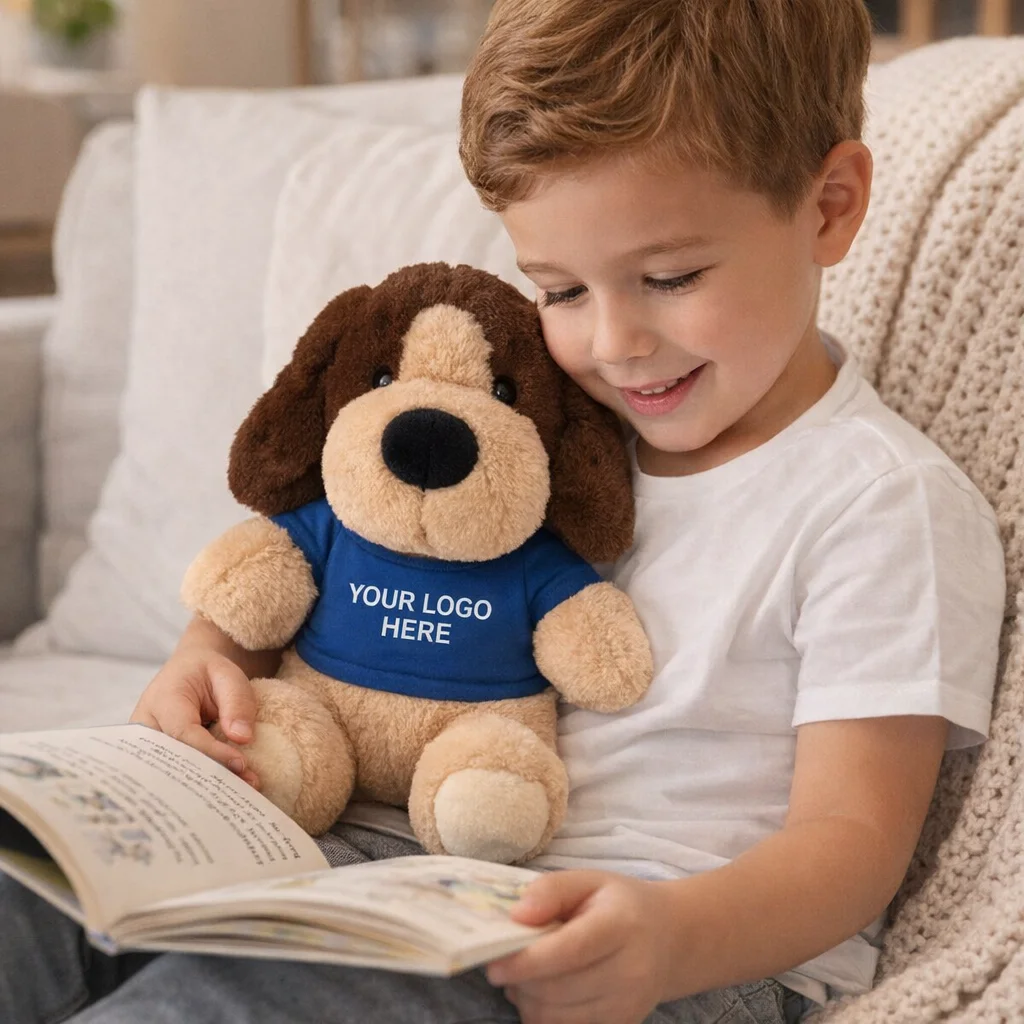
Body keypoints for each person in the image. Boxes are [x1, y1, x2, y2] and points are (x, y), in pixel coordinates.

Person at [0, 2, 1006, 1022]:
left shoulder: (879, 502)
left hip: (650, 947)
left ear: (829, 207)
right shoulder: (541, 424)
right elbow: (353, 547)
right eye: (561, 291)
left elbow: (851, 843)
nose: (613, 344)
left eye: (669, 277)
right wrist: (207, 655)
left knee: (214, 1005)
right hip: (376, 856)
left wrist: (669, 939)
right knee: (26, 889)